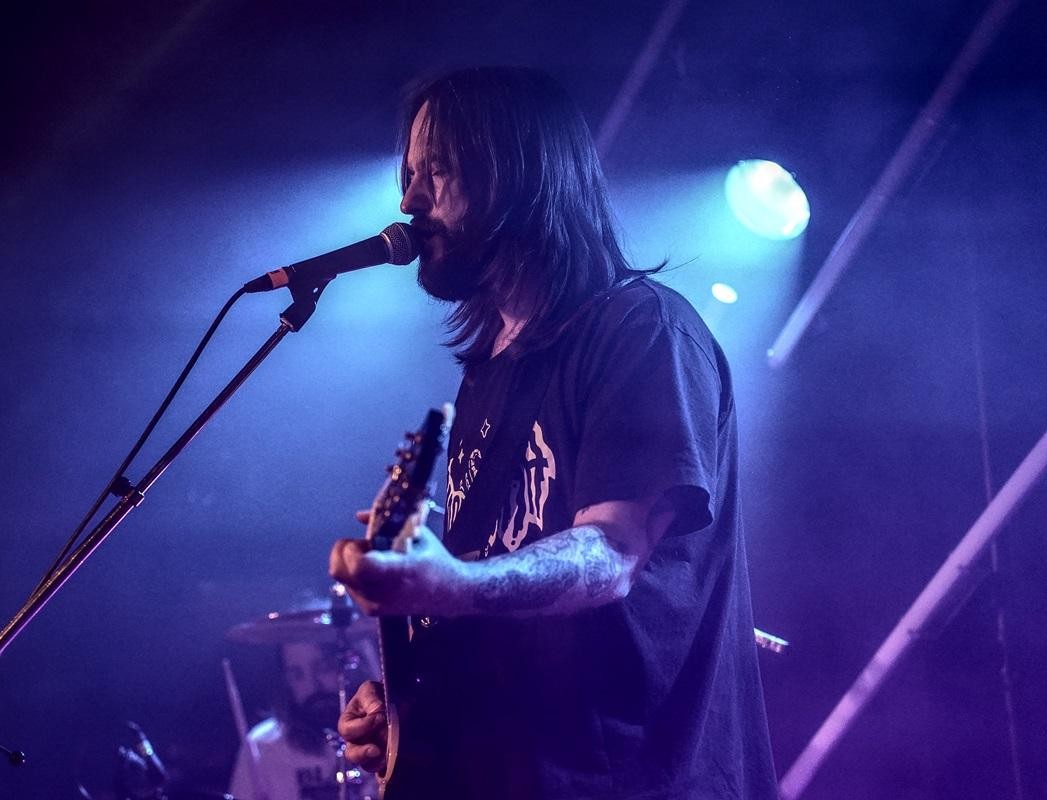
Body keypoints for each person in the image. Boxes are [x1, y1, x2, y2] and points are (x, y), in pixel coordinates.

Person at [329, 67, 778, 799]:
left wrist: (454, 584)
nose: (408, 201)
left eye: (436, 171)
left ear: (516, 174)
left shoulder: (642, 331)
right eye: (408, 176)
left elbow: (612, 552)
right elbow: (500, 608)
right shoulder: (487, 374)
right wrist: (415, 716)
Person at [228, 641, 375, 800]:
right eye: (297, 675)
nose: (312, 685)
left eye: (323, 668)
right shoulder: (263, 745)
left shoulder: (383, 731)